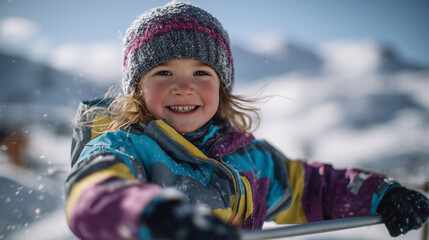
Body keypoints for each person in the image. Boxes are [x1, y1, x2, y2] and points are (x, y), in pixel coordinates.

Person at [64, 2, 429, 240]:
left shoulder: (249, 161)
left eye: (201, 72)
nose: (184, 87)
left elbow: (311, 188)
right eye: (163, 72)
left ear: (222, 86)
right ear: (136, 90)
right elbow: (92, 194)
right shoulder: (123, 148)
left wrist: (382, 195)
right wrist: (156, 216)